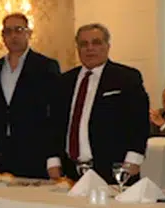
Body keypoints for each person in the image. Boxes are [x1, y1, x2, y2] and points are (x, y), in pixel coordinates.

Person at [46, 24, 149, 184]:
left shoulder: (126, 78)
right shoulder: (65, 81)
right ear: (78, 48)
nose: (90, 48)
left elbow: (139, 122)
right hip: (70, 170)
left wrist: (133, 160)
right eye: (84, 44)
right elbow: (54, 123)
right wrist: (53, 160)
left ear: (107, 46)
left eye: (96, 42)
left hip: (113, 169)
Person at [0, 13, 61, 178]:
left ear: (29, 33)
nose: (13, 36)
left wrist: (53, 158)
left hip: (35, 150)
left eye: (19, 30)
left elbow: (55, 113)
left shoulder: (45, 66)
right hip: (3, 151)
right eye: (8, 31)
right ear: (3, 37)